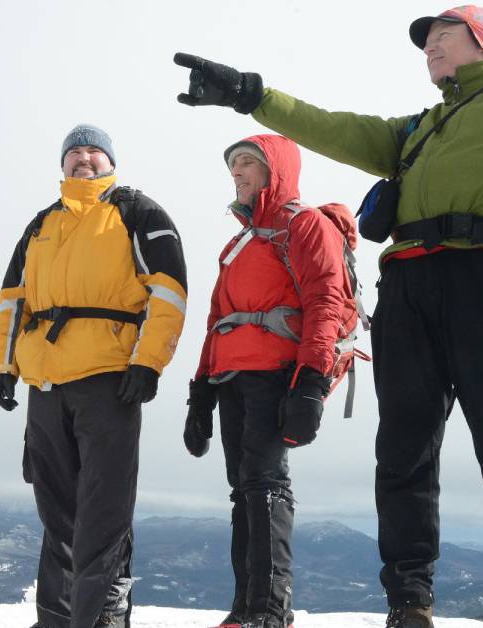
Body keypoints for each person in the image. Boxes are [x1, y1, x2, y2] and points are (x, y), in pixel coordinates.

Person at [173, 6, 483, 628]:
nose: (430, 47)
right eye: (425, 41)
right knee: (401, 448)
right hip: (406, 285)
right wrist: (253, 95)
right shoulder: (418, 128)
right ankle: (409, 602)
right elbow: (334, 129)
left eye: (443, 35)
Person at [0, 124, 188, 628]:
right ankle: (55, 619)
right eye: (75, 151)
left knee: (103, 510)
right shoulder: (40, 225)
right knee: (56, 512)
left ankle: (100, 617)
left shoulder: (138, 212)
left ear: (110, 160)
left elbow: (168, 292)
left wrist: (148, 362)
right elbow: (11, 302)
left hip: (108, 379)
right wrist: (3, 366)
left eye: (94, 151)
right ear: (62, 164)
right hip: (46, 386)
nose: (84, 158)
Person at [184, 135, 359, 628]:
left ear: (274, 170)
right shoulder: (239, 243)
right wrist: (200, 394)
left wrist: (310, 383)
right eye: (232, 165)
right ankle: (245, 610)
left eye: (246, 163)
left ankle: (269, 613)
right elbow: (217, 319)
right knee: (243, 489)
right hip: (232, 379)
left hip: (277, 375)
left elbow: (326, 301)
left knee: (263, 484)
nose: (236, 173)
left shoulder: (304, 226)